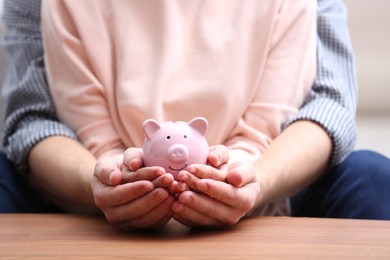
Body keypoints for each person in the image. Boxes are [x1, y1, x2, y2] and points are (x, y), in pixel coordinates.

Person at [1, 0, 389, 228]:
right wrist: (96, 179)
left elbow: (330, 107)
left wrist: (256, 179)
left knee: (372, 178)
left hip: (273, 181)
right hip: (84, 184)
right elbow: (29, 121)